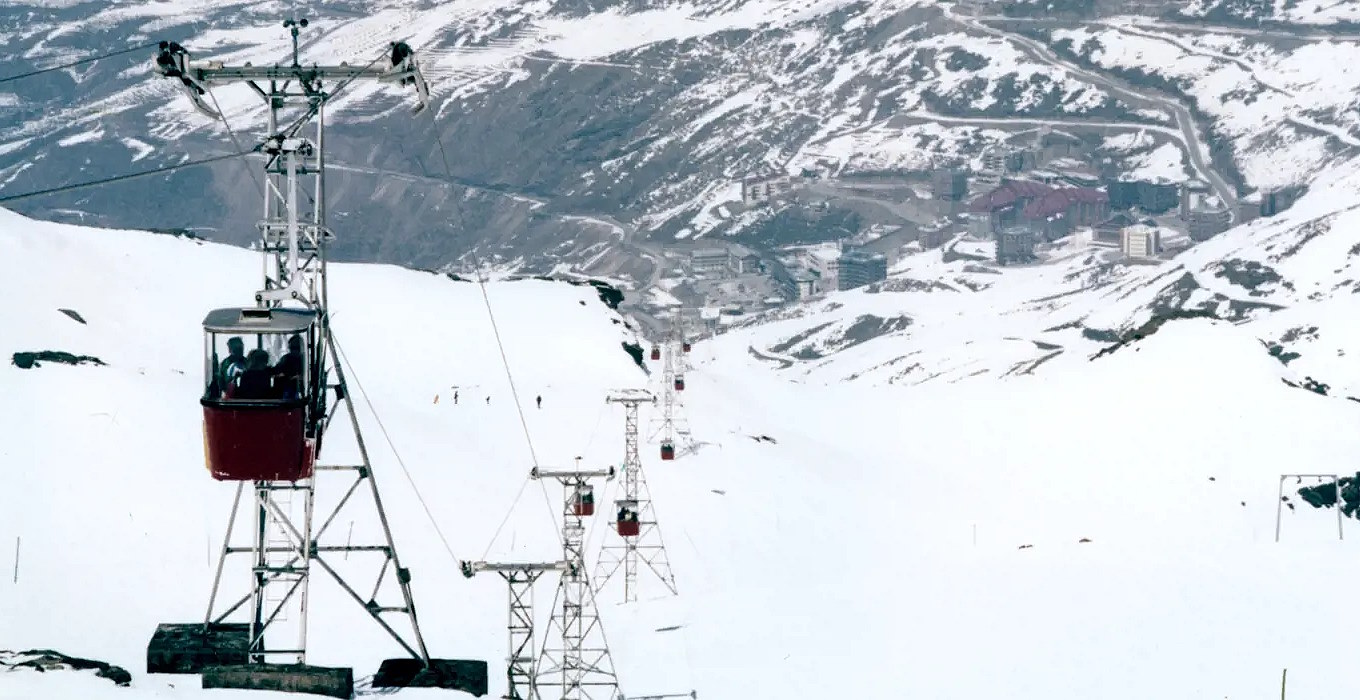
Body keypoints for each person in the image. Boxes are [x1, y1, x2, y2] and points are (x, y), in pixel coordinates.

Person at [272, 334, 305, 399]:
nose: (294, 351)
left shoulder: (307, 361)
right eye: (292, 348)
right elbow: (276, 372)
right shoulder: (285, 358)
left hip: (302, 391)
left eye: (297, 348)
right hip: (286, 391)